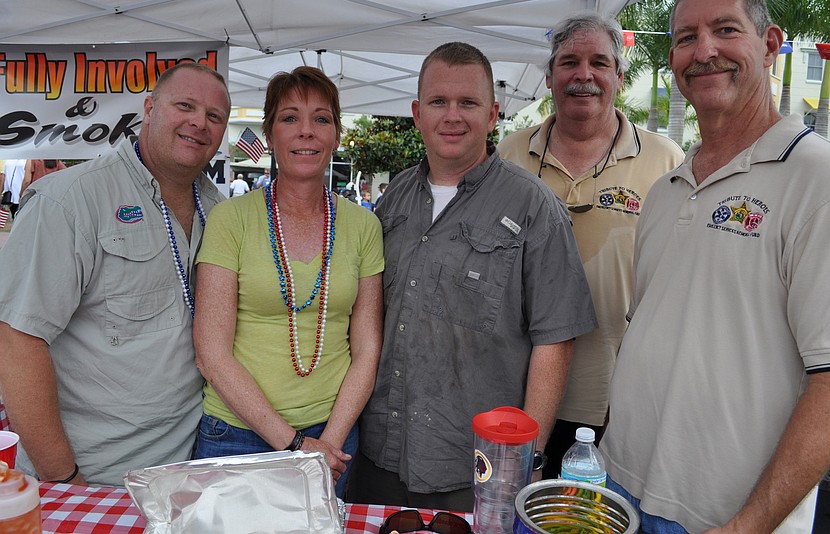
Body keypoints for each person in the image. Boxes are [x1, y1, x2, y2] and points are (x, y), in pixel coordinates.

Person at [599, 0, 830, 533]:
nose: (704, 50)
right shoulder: (666, 190)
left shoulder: (826, 182)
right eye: (687, 37)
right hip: (622, 491)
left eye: (725, 29)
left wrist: (749, 524)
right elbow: (647, 334)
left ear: (769, 43)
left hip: (722, 519)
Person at [348, 42, 596, 511]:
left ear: (493, 114)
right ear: (417, 113)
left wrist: (528, 457)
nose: (452, 116)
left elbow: (555, 340)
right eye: (439, 102)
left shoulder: (534, 207)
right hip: (378, 454)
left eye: (468, 103)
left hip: (477, 468)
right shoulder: (394, 197)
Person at [0, 62, 230, 486]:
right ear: (149, 107)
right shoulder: (69, 200)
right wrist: (66, 479)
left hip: (189, 467)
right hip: (95, 474)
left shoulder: (220, 211)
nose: (199, 122)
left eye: (214, 116)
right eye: (185, 105)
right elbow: (17, 342)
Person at [498, 13, 683, 478]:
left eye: (599, 62)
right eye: (569, 62)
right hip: (516, 390)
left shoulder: (666, 161)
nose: (584, 75)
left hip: (614, 401)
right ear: (549, 76)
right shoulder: (508, 155)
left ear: (619, 77)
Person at [192, 66, 383, 499]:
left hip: (334, 436)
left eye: (321, 118)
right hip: (238, 434)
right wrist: (295, 445)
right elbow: (210, 352)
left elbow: (367, 348)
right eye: (290, 118)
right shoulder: (231, 219)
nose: (306, 132)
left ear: (336, 135)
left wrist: (328, 444)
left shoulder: (363, 225)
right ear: (270, 134)